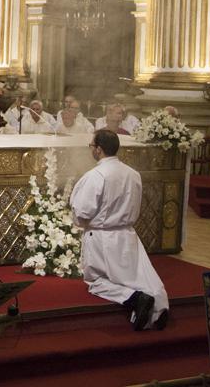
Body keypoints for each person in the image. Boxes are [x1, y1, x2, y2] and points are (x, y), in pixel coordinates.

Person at [70, 130, 169, 331]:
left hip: (101, 238)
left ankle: (134, 299)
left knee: (97, 281)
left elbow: (83, 212)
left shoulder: (96, 175)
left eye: (91, 146)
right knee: (141, 276)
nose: (91, 149)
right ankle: (159, 308)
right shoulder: (133, 174)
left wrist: (79, 220)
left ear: (98, 149)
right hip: (127, 234)